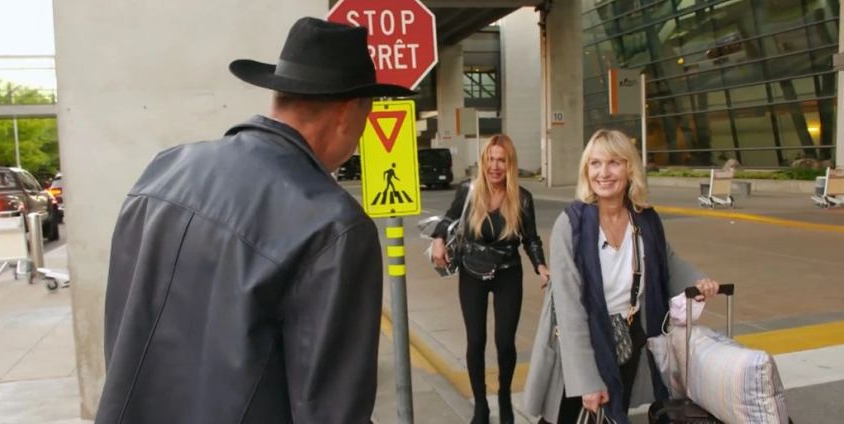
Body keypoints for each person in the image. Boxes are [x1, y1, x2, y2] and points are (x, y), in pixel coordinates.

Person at [95, 17, 414, 424]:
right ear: (347, 113)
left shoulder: (166, 169)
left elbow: (125, 329)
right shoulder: (334, 226)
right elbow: (332, 412)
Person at [523, 129, 720, 424]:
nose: (603, 173)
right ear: (586, 169)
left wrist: (698, 280)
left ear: (630, 168)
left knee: (613, 415)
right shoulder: (571, 225)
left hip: (627, 339)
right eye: (595, 163)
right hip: (581, 345)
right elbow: (569, 309)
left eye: (614, 162)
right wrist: (587, 381)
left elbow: (666, 262)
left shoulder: (644, 219)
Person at [430, 135, 550, 424]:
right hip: (472, 271)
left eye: (501, 160)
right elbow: (448, 220)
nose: (495, 166)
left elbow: (530, 238)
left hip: (508, 271)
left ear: (509, 164)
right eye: (490, 159)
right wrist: (437, 240)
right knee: (476, 340)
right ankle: (481, 406)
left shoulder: (521, 198)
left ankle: (506, 397)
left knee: (505, 342)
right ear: (483, 161)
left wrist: (540, 265)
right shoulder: (469, 192)